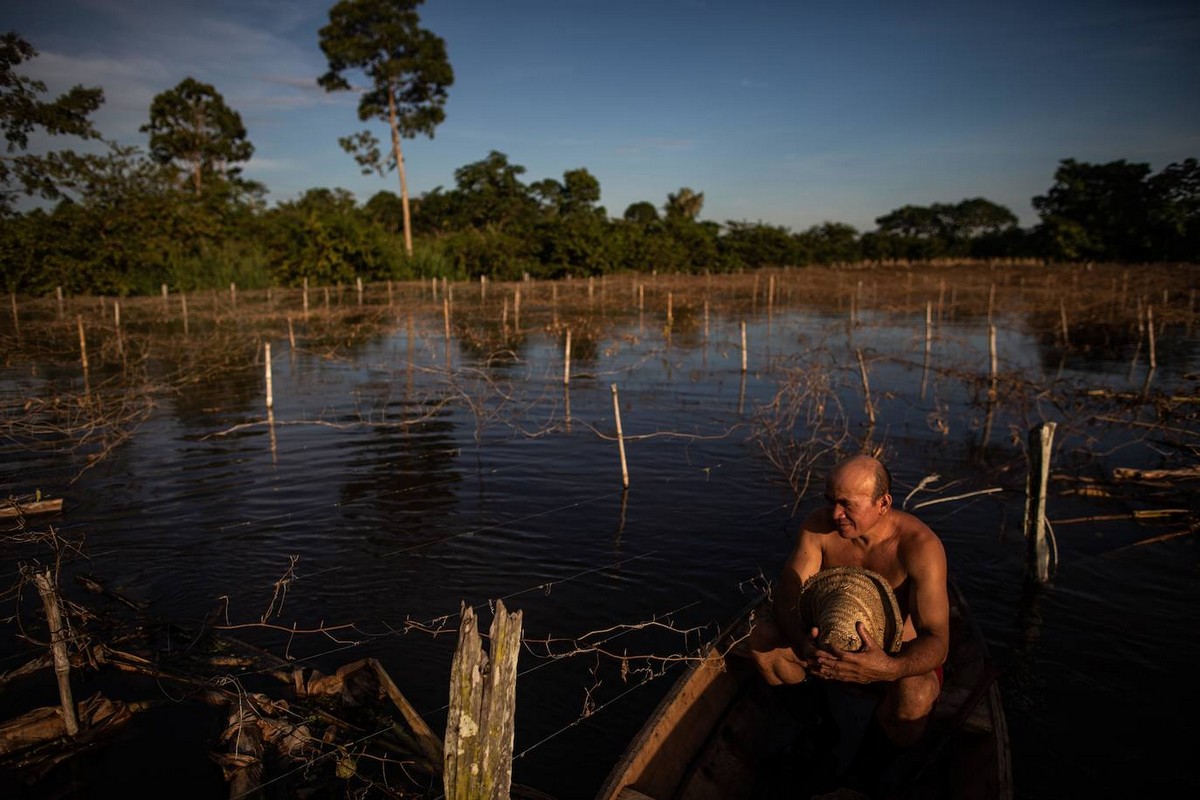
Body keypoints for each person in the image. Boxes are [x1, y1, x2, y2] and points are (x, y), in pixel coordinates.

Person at [747, 454, 949, 748]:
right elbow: (787, 595)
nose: (835, 514)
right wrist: (803, 642)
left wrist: (889, 667)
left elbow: (938, 641)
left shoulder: (920, 547)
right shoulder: (818, 527)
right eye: (831, 500)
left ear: (883, 504)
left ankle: (865, 775)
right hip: (826, 649)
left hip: (891, 660)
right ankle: (821, 730)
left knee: (917, 695)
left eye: (847, 505)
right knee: (762, 640)